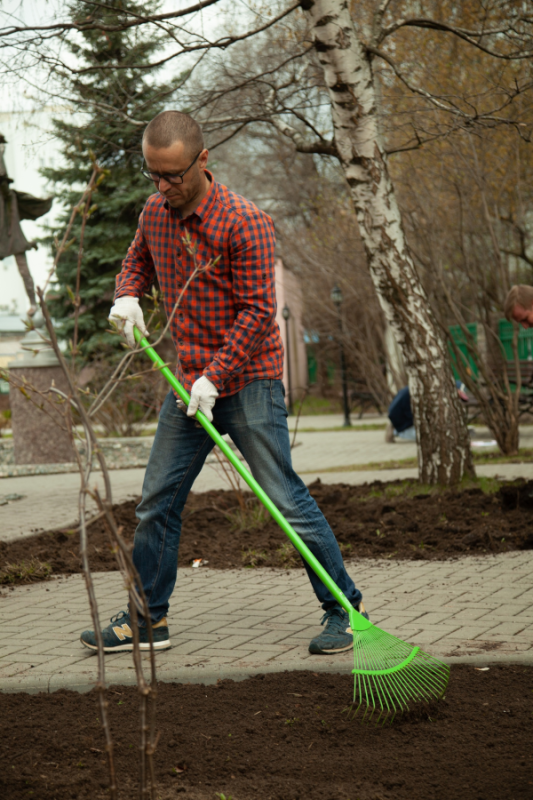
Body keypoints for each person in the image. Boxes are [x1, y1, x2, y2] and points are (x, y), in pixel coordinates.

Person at [80, 111, 367, 657]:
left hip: (249, 379)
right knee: (156, 501)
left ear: (203, 160)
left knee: (283, 498)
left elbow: (259, 312)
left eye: (173, 175)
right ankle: (148, 621)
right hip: (188, 381)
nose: (163, 187)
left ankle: (346, 612)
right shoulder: (154, 211)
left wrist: (218, 375)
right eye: (153, 175)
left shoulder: (245, 222)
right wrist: (127, 295)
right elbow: (135, 262)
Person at [385, 381, 468, 443]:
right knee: (428, 437)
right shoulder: (431, 390)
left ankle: (399, 429)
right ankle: (397, 431)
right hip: (401, 418)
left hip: (404, 414)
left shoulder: (433, 387)